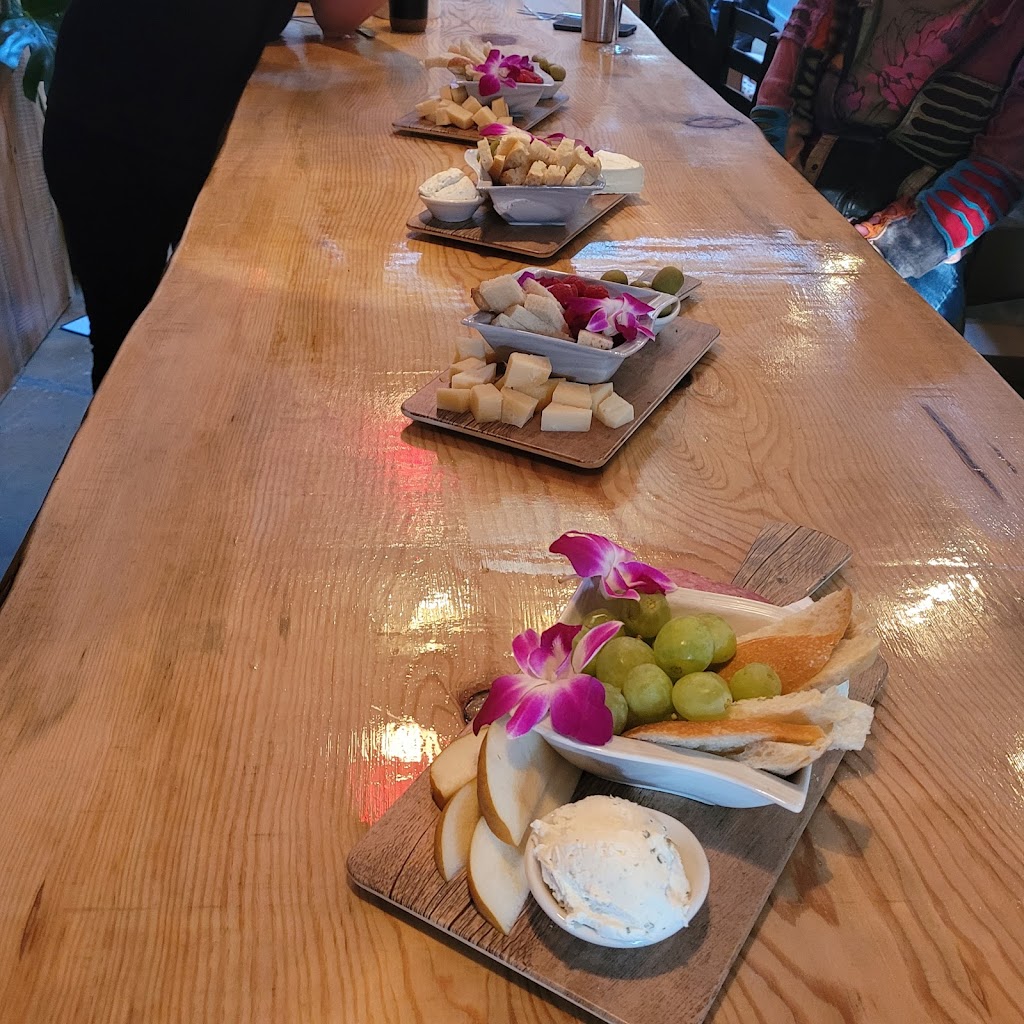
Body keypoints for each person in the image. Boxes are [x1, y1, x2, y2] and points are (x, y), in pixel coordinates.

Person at [43, 0, 379, 392]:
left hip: (95, 115)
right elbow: (340, 17)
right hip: (125, 134)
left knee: (128, 344)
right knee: (191, 347)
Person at [750, 0, 1024, 327]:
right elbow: (779, 101)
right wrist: (774, 188)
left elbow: (1001, 168)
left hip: (918, 252)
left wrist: (901, 248)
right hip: (797, 201)